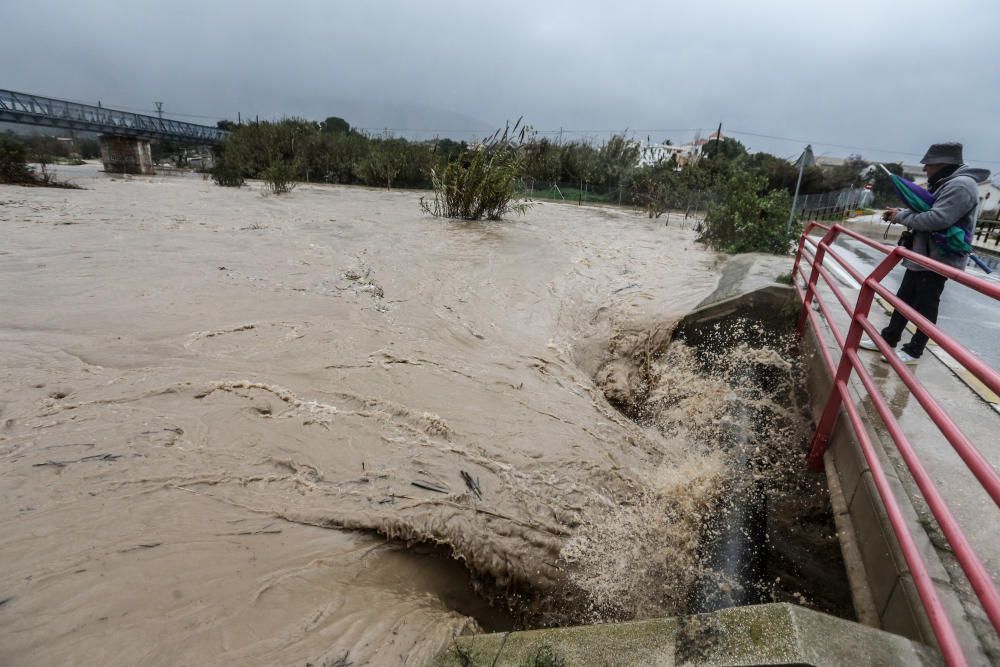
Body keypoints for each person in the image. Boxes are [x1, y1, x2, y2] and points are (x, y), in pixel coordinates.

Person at [859, 142, 981, 364]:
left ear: (943, 163)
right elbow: (925, 208)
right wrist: (903, 212)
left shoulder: (961, 186)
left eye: (929, 165)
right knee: (904, 299)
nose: (925, 169)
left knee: (926, 304)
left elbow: (938, 218)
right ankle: (888, 339)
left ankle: (914, 350)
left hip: (938, 258)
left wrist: (901, 217)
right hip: (922, 254)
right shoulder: (945, 182)